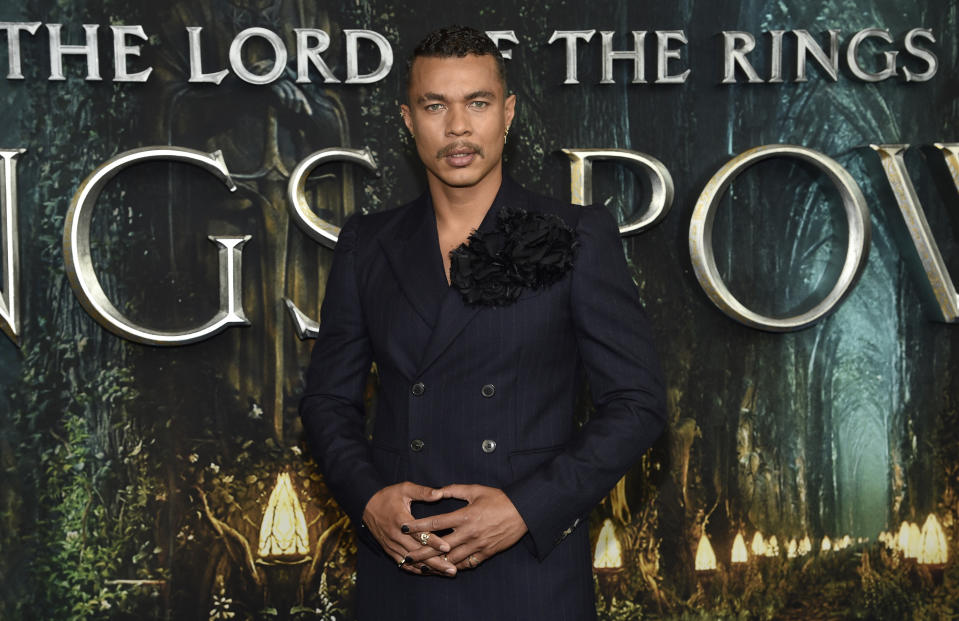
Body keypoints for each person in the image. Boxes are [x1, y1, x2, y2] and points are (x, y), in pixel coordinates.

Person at [299, 25, 666, 621]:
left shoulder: (576, 234)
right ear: (408, 119)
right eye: (434, 105)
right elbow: (326, 401)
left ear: (508, 114)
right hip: (404, 567)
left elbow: (638, 403)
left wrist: (525, 509)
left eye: (477, 102)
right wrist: (368, 502)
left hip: (528, 572)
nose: (458, 127)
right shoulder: (368, 244)